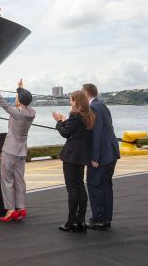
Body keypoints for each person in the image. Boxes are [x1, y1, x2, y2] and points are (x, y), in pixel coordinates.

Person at [0, 78, 35, 222]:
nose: (15, 99)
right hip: (22, 152)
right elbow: (25, 101)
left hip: (10, 151)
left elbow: (2, 102)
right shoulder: (32, 112)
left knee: (7, 181)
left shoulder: (17, 113)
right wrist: (21, 88)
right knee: (19, 180)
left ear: (20, 101)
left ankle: (11, 210)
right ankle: (21, 207)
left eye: (17, 97)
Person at [52, 91, 95, 233]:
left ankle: (71, 221)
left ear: (76, 101)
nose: (70, 102)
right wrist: (65, 122)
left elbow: (65, 133)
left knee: (72, 188)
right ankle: (81, 220)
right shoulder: (88, 115)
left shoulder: (75, 115)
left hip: (71, 156)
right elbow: (75, 131)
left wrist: (58, 121)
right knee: (80, 186)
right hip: (82, 155)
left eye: (71, 100)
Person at [82, 83, 120, 230]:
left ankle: (98, 219)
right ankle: (106, 218)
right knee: (106, 186)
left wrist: (95, 157)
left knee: (94, 185)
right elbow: (108, 128)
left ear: (86, 94)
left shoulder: (93, 107)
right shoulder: (102, 105)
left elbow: (97, 134)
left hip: (102, 155)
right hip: (111, 151)